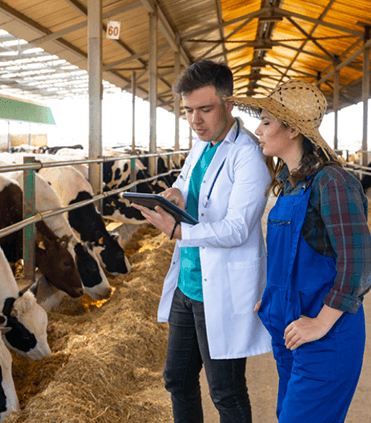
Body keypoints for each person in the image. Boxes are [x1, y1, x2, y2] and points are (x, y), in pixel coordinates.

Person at [132, 60, 272, 422]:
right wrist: (175, 193)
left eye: (204, 109)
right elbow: (185, 177)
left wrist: (178, 231)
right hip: (188, 284)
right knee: (177, 379)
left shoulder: (249, 156)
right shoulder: (202, 144)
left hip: (220, 289)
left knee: (226, 391)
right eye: (189, 111)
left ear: (228, 104)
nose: (195, 120)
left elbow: (238, 228)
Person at [226, 79, 371, 422]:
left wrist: (321, 322)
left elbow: (360, 262)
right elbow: (292, 255)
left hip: (326, 337)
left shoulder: (332, 182)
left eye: (265, 122)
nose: (257, 131)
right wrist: (274, 295)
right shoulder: (291, 184)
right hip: (290, 332)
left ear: (292, 130)